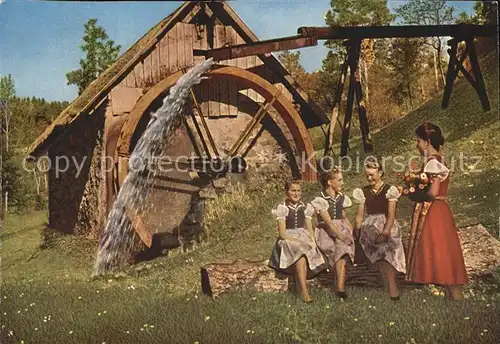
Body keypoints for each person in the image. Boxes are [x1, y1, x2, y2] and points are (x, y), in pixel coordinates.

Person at [406, 121, 468, 300]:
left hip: (434, 212)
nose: (417, 145)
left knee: (440, 250)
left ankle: (456, 297)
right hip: (440, 211)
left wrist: (414, 193)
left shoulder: (433, 163)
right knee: (444, 251)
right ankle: (453, 298)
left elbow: (432, 192)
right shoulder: (438, 159)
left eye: (418, 141)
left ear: (426, 141)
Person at [353, 159, 406, 300]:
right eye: (367, 175)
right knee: (381, 251)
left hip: (387, 224)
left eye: (372, 174)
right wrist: (357, 231)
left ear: (380, 173)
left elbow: (391, 214)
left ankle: (391, 286)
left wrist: (386, 231)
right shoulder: (363, 192)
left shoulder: (389, 190)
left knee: (388, 250)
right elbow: (359, 216)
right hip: (370, 226)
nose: (369, 178)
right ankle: (391, 289)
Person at [268, 180, 327, 302]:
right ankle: (304, 291)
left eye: (298, 190)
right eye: (293, 190)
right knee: (300, 251)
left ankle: (302, 288)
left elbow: (309, 229)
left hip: (303, 236)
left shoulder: (305, 208)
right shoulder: (283, 208)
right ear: (286, 192)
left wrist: (311, 241)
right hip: (288, 239)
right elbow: (282, 233)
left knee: (305, 251)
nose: (296, 193)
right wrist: (297, 241)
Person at [311, 166, 355, 299]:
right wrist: (341, 236)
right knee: (339, 248)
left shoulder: (341, 197)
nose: (342, 183)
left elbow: (344, 217)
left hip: (340, 228)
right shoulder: (321, 199)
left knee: (344, 248)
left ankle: (339, 288)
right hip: (326, 231)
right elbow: (329, 222)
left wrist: (351, 232)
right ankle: (340, 289)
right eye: (340, 180)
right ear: (330, 182)